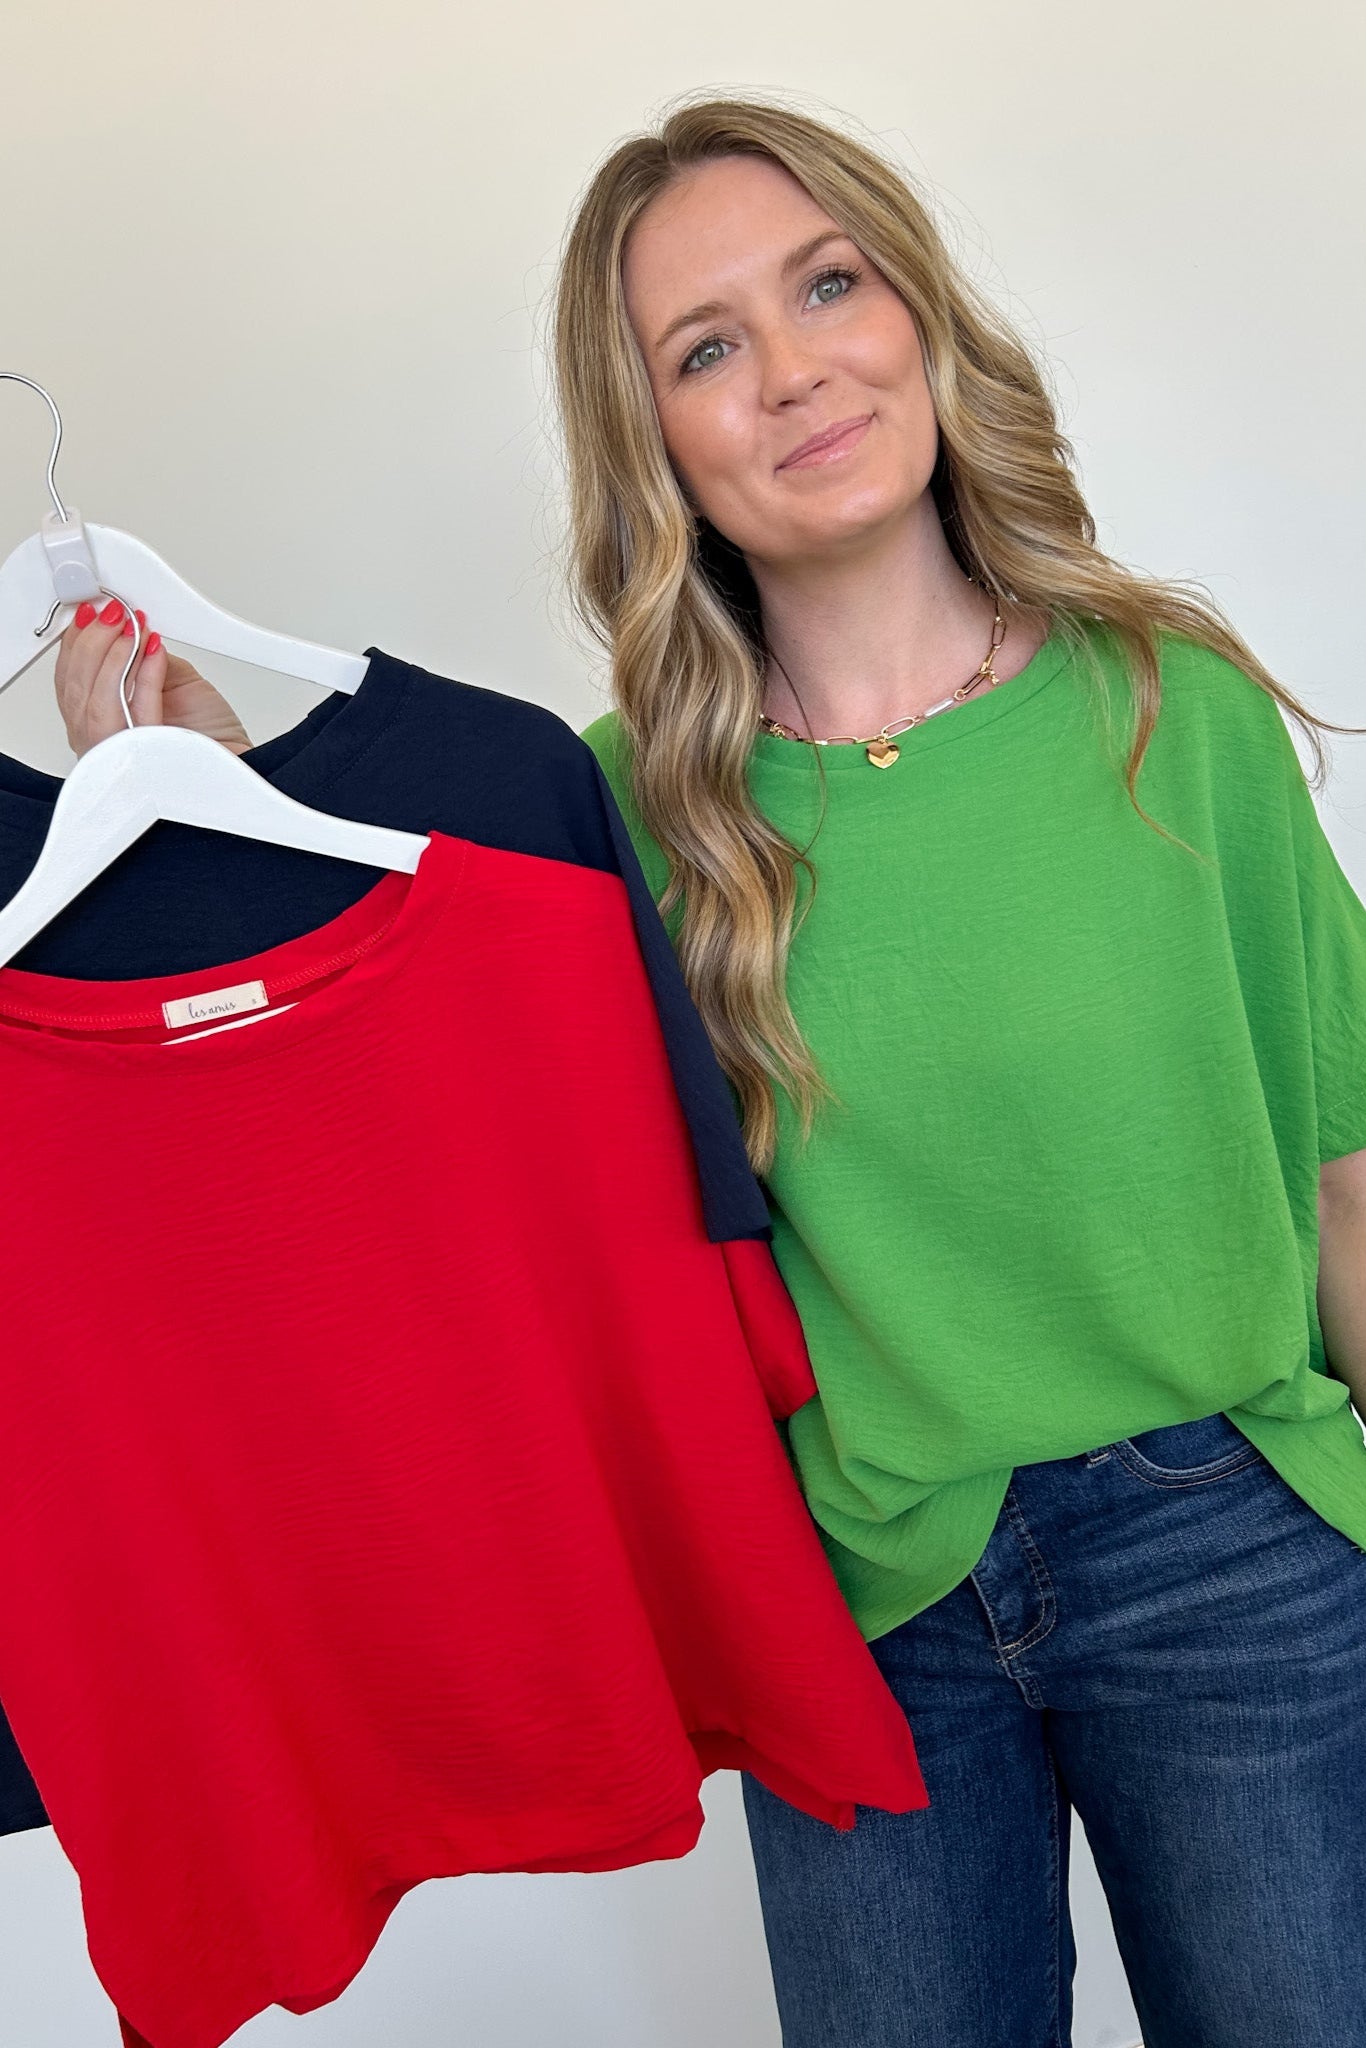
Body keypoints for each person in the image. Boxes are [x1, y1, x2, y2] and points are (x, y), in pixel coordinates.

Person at [51, 91, 1366, 2048]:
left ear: (915, 314)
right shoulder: (607, 814)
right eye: (703, 346)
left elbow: (1341, 1170)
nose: (790, 372)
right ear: (651, 436)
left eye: (824, 285)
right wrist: (224, 826)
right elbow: (429, 1167)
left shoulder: (1163, 707)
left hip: (1223, 1543)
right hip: (854, 1593)